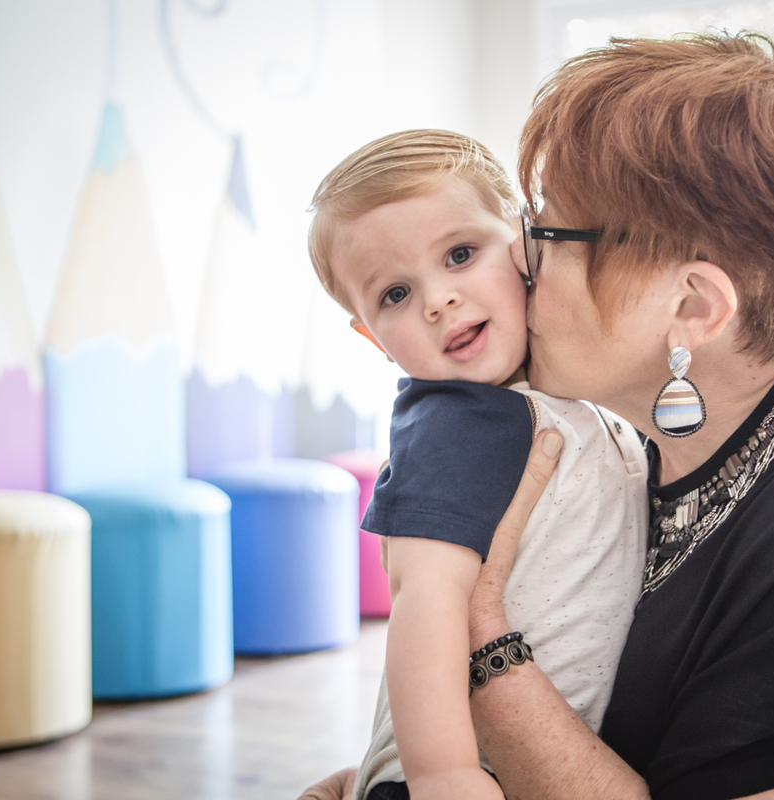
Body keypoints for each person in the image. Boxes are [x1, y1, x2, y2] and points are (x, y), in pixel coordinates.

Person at [302, 31, 774, 800]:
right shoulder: (653, 421)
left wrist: (484, 650)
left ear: (693, 305)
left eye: (549, 232)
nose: (520, 262)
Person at [306, 130, 649, 800]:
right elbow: (424, 604)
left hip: (534, 758)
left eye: (460, 255)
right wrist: (446, 774)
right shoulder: (456, 421)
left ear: (525, 240)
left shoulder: (558, 397)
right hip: (462, 776)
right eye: (396, 296)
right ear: (372, 337)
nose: (438, 300)